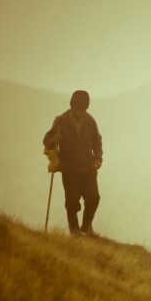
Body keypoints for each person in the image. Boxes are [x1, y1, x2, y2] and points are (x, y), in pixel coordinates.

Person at [42, 90, 103, 237]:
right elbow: (46, 140)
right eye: (78, 109)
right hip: (69, 169)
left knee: (93, 198)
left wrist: (98, 158)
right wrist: (53, 140)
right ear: (72, 106)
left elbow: (97, 141)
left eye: (83, 110)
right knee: (72, 201)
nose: (80, 113)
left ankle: (86, 226)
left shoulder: (90, 121)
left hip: (88, 168)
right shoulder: (61, 121)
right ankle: (74, 231)